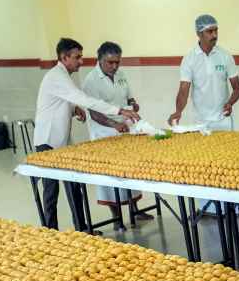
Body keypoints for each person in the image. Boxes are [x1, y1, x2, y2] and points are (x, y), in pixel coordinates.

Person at [33, 38, 139, 231]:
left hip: (62, 141)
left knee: (74, 187)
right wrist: (119, 111)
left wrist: (74, 109)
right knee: (51, 191)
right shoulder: (56, 76)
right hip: (47, 141)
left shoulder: (64, 75)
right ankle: (50, 232)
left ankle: (82, 228)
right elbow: (85, 100)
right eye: (77, 57)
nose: (81, 61)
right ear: (64, 57)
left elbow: (62, 101)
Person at [82, 42, 152, 227]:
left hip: (124, 128)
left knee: (129, 170)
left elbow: (127, 95)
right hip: (104, 132)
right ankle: (117, 218)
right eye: (110, 62)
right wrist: (113, 124)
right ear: (100, 60)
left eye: (117, 62)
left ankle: (135, 210)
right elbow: (94, 112)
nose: (114, 66)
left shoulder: (120, 74)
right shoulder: (91, 81)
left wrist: (133, 102)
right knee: (110, 176)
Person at [168, 14, 239, 131]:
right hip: (200, 122)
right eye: (210, 31)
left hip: (224, 120)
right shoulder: (189, 59)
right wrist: (178, 111)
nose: (215, 35)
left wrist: (230, 103)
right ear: (199, 34)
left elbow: (237, 88)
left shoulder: (225, 56)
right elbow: (183, 90)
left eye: (216, 30)